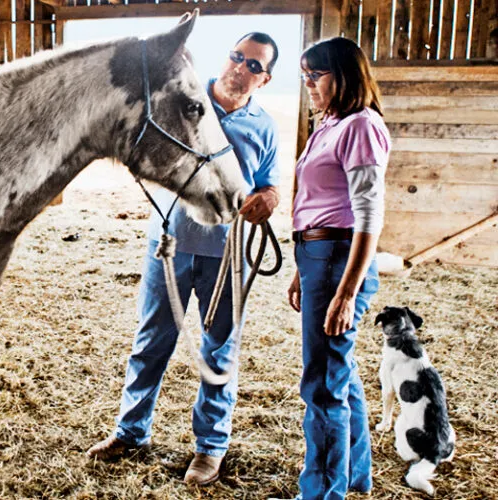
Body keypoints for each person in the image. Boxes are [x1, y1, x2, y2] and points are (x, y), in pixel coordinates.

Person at [86, 32, 281, 486]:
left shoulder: (264, 126)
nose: (239, 68)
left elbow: (268, 182)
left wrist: (269, 196)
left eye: (253, 65)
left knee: (220, 351)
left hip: (227, 254)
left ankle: (210, 447)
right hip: (169, 244)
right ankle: (130, 432)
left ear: (265, 78)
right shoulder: (186, 99)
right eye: (236, 57)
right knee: (151, 342)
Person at [279, 37, 390, 500]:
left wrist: (346, 292)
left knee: (323, 384)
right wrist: (301, 266)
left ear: (344, 75)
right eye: (304, 76)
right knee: (339, 373)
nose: (309, 85)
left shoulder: (361, 126)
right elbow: (319, 203)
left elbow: (368, 215)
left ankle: (323, 493)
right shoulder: (330, 123)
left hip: (339, 259)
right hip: (318, 256)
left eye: (316, 75)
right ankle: (353, 478)